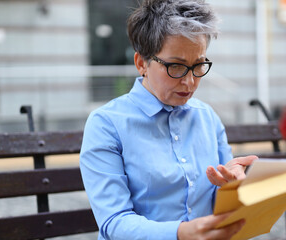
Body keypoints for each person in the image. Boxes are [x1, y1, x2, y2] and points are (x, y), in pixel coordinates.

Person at [80, 0, 257, 239]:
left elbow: (219, 204)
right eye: (176, 66)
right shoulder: (106, 124)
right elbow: (114, 222)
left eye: (199, 65)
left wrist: (232, 189)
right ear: (142, 63)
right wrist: (181, 233)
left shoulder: (207, 118)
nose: (189, 81)